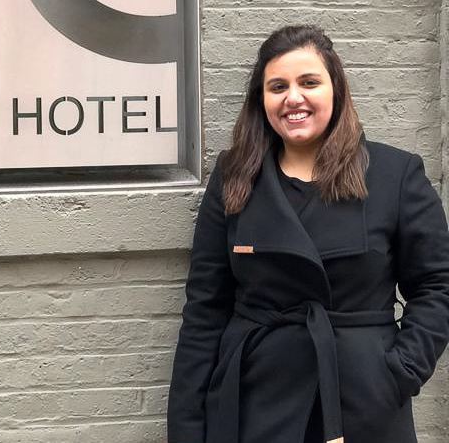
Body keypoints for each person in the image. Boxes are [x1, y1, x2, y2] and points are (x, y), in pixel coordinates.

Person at [167, 24, 449, 443]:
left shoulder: (394, 175)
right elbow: (205, 310)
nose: (293, 98)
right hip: (257, 398)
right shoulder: (234, 177)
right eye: (277, 86)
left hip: (361, 401)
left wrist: (397, 373)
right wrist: (187, 427)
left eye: (309, 82)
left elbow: (437, 285)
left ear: (335, 89)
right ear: (261, 100)